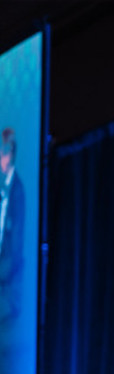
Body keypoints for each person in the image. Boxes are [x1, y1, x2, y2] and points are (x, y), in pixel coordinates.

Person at [0, 127, 25, 323]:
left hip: (9, 262)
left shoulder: (18, 190)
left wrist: (9, 267)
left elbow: (17, 235)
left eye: (2, 154)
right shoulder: (3, 186)